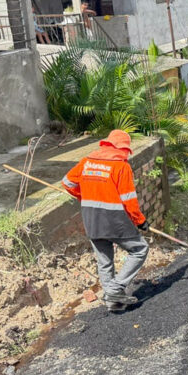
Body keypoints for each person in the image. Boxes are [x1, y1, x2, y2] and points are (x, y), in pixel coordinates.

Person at [62, 130, 150, 313]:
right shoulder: (121, 167)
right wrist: (140, 221)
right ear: (122, 148)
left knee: (104, 261)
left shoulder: (86, 162)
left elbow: (67, 183)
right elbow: (128, 199)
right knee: (140, 249)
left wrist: (84, 196)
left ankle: (113, 304)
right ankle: (115, 290)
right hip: (114, 219)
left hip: (91, 218)